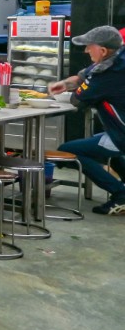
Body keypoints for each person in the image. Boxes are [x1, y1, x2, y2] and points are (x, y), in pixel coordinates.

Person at [49, 25, 125, 215]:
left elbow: (78, 99)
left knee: (70, 150)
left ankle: (120, 195)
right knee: (105, 146)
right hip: (117, 132)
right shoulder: (117, 58)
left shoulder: (109, 74)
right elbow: (84, 75)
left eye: (89, 46)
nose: (85, 50)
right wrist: (65, 84)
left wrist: (74, 91)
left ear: (103, 50)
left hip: (121, 134)